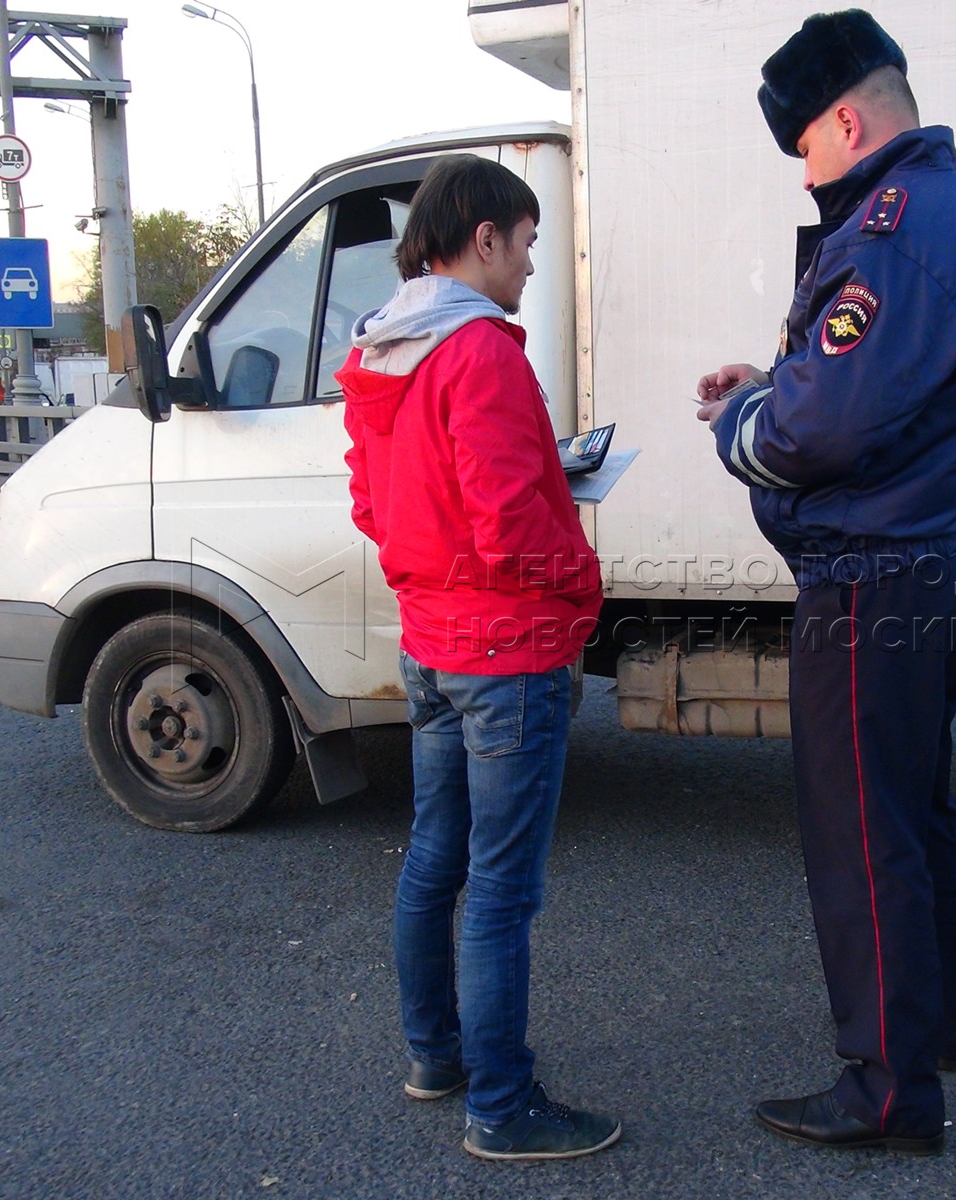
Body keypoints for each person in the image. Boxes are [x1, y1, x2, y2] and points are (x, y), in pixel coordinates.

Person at [694, 9, 956, 1155]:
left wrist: (742, 413)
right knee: (917, 808)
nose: (808, 169)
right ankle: (934, 1027)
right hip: (932, 562)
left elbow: (817, 431)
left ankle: (887, 1089)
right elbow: (881, 382)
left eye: (805, 147)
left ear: (846, 118)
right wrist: (782, 374)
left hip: (869, 577)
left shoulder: (893, 229)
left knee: (859, 828)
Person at [337, 155, 619, 1162]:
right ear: (484, 237)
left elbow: (372, 504)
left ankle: (437, 1057)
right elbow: (509, 525)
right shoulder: (482, 355)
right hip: (510, 649)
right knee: (500, 890)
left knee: (434, 860)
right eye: (528, 242)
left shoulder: (378, 353)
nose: (532, 265)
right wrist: (583, 589)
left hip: (431, 643)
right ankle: (502, 1109)